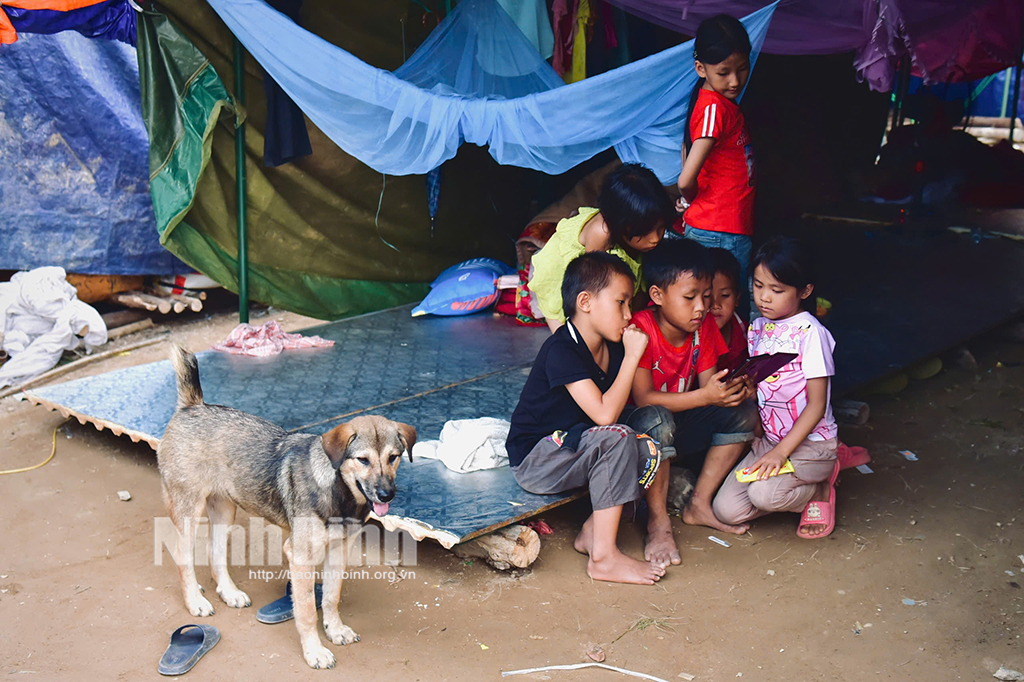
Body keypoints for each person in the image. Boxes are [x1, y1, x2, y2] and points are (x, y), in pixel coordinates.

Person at [506, 252, 676, 585]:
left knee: (650, 430)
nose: (629, 315)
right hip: (538, 459)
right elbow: (604, 414)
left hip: (578, 445)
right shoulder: (561, 350)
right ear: (585, 301)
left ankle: (591, 533)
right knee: (619, 436)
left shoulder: (610, 348)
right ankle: (603, 559)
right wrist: (632, 356)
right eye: (621, 303)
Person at [625, 239, 758, 536]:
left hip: (680, 425)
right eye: (690, 297)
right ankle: (658, 521)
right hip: (641, 437)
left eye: (706, 296)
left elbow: (707, 388)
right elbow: (644, 398)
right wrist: (705, 395)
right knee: (658, 418)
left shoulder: (703, 326)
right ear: (657, 295)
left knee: (743, 412)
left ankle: (699, 503)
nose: (702, 307)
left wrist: (729, 392)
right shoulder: (642, 328)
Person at [712, 236, 840, 539]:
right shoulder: (757, 328)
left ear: (805, 291)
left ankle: (820, 489)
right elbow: (764, 388)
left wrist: (780, 454)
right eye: (758, 286)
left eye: (776, 290)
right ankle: (787, 485)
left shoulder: (811, 333)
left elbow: (816, 405)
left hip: (812, 446)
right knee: (726, 510)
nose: (764, 297)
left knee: (764, 496)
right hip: (771, 442)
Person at [674, 14, 755, 317]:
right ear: (701, 69)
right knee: (726, 311)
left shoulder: (713, 103)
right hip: (721, 228)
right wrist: (690, 197)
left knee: (713, 308)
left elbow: (686, 150)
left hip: (722, 226)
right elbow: (685, 177)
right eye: (724, 72)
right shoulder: (714, 109)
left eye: (742, 69)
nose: (735, 80)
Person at [530, 163, 673, 333]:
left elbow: (638, 292)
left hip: (612, 275)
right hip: (570, 279)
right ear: (622, 225)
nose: (655, 239)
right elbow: (591, 287)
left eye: (660, 228)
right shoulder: (600, 233)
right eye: (645, 233)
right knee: (572, 340)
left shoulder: (640, 229)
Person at [708, 247, 748, 373]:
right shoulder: (688, 337)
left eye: (725, 295)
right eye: (707, 296)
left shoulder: (747, 333)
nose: (715, 305)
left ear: (737, 299)